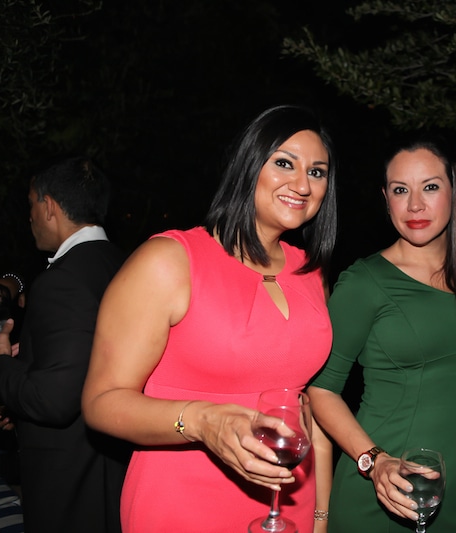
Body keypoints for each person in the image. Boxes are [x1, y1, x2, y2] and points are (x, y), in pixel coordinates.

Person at [81, 105, 337, 533]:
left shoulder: (311, 273)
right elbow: (101, 402)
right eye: (284, 163)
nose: (302, 184)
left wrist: (321, 515)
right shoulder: (169, 261)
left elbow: (310, 406)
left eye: (318, 172)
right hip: (182, 504)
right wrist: (202, 420)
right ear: (248, 165)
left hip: (287, 501)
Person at [308, 140, 456, 532]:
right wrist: (375, 461)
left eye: (431, 187)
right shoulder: (364, 282)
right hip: (388, 496)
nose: (415, 205)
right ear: (386, 199)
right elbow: (321, 389)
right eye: (400, 190)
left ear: (455, 192)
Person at [0, 157, 131, 532]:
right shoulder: (125, 265)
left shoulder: (61, 280)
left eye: (31, 205)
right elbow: (85, 365)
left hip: (71, 486)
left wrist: (1, 362)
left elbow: (54, 400)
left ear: (49, 205)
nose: (30, 218)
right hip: (118, 474)